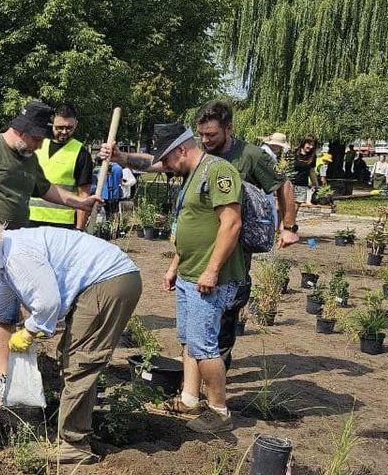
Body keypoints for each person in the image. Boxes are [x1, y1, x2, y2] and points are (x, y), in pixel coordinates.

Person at [103, 100, 298, 368]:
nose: (205, 140)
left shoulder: (250, 156)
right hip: (196, 252)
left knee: (225, 314)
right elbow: (161, 162)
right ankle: (198, 370)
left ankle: (218, 371)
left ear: (229, 128)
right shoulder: (197, 156)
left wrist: (288, 227)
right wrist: (122, 158)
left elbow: (283, 185)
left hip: (232, 250)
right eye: (202, 134)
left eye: (212, 135)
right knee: (197, 317)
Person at [0, 218, 141, 464]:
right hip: (110, 280)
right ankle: (76, 431)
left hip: (109, 283)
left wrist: (29, 332)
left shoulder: (17, 255)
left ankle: (74, 444)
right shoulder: (10, 253)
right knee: (74, 358)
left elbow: (48, 303)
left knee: (79, 360)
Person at [0, 100, 103, 391]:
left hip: (12, 251)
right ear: (20, 130)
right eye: (37, 138)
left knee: (5, 311)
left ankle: (5, 376)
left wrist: (79, 201)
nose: (39, 144)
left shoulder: (29, 158)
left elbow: (46, 189)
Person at [136, 124, 245, 432]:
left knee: (204, 345)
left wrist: (211, 270)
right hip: (188, 273)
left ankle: (219, 411)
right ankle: (188, 399)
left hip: (210, 278)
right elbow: (191, 227)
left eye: (167, 160)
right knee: (188, 341)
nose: (166, 167)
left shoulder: (217, 172)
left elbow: (231, 224)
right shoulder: (191, 176)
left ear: (181, 149)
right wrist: (174, 267)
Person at [29, 104, 95, 230]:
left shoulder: (80, 153)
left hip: (62, 224)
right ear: (52, 122)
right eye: (60, 127)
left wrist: (79, 229)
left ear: (76, 124)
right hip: (29, 219)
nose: (64, 132)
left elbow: (83, 194)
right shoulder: (36, 144)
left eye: (69, 128)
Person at [292, 135, 318, 204]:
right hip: (290, 184)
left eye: (313, 145)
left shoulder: (313, 156)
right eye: (309, 144)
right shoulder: (293, 153)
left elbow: (311, 171)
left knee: (295, 209)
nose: (311, 147)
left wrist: (315, 185)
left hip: (302, 186)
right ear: (303, 142)